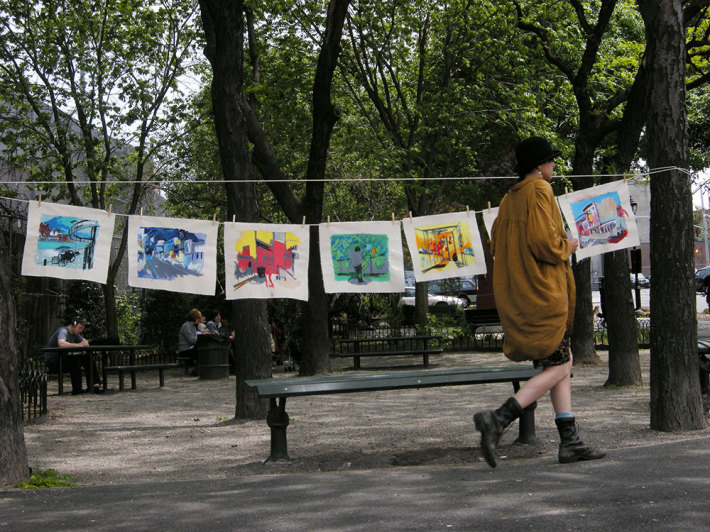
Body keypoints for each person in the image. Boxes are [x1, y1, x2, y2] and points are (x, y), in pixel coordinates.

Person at [473, 136, 605, 468]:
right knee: (561, 365)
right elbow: (546, 244)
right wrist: (569, 244)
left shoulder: (509, 199)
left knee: (561, 361)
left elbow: (498, 245)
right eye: (551, 161)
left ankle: (569, 441)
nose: (554, 167)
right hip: (545, 294)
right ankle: (499, 418)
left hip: (523, 294)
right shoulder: (541, 191)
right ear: (540, 165)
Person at [46, 318, 93, 395]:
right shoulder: (63, 331)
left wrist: (83, 343)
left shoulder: (75, 335)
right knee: (75, 361)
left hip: (63, 360)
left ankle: (94, 384)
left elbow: (85, 342)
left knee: (87, 358)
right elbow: (61, 344)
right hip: (53, 361)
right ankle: (77, 389)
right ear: (74, 325)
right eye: (80, 328)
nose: (81, 331)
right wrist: (79, 345)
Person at [178, 308, 202, 375]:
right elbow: (192, 340)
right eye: (198, 318)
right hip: (184, 350)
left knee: (202, 349)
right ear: (194, 318)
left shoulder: (193, 327)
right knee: (200, 350)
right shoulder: (186, 326)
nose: (199, 320)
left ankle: (198, 369)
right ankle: (197, 369)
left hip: (190, 348)